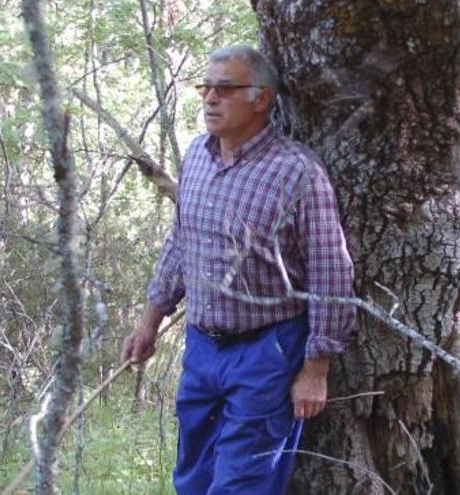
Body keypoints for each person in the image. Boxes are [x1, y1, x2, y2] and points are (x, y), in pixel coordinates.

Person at [121, 45, 356, 494]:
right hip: (202, 347)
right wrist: (149, 321)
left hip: (267, 352)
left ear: (261, 98)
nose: (211, 98)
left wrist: (316, 369)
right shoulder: (198, 157)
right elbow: (181, 243)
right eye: (206, 87)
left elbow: (330, 272)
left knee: (243, 483)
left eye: (225, 89)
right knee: (192, 476)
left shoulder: (297, 173)